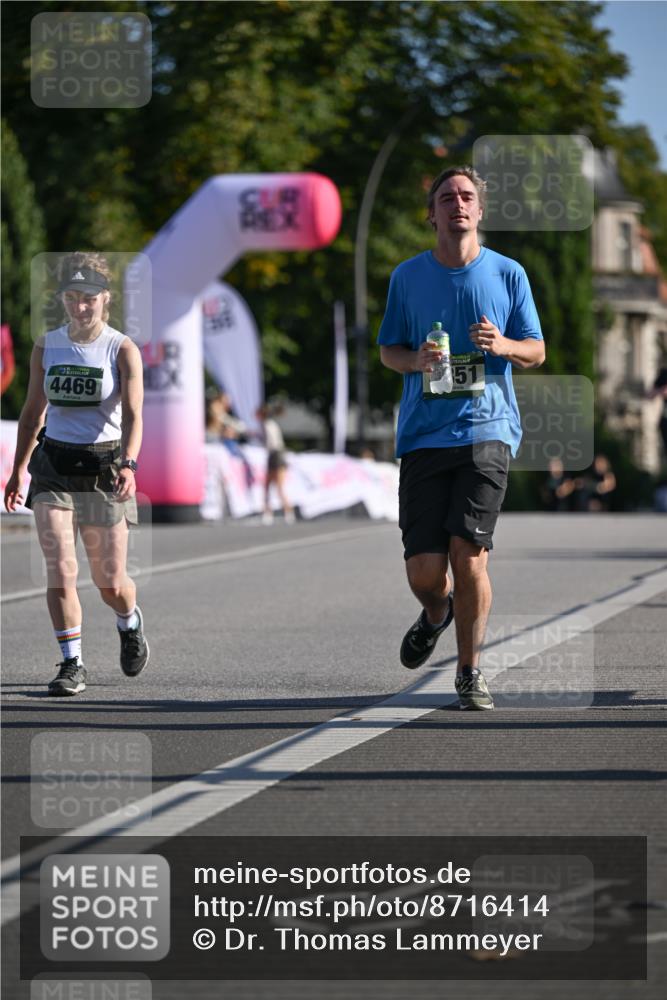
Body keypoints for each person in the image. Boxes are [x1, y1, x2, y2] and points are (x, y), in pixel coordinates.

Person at [378, 166, 545, 710]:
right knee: (426, 572)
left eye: (467, 196)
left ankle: (470, 671)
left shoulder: (508, 273)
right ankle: (435, 612)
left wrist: (502, 346)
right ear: (432, 213)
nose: (457, 204)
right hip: (424, 434)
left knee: (468, 552)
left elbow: (536, 350)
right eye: (447, 197)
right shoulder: (407, 277)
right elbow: (388, 350)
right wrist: (416, 360)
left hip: (487, 429)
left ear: (480, 209)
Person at [3, 252, 149, 696]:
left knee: (111, 583)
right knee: (61, 570)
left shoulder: (121, 348)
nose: (80, 306)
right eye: (72, 298)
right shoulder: (47, 346)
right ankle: (72, 664)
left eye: (89, 298)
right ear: (62, 299)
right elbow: (31, 413)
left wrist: (129, 463)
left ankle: (130, 621)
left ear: (106, 299)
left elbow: (135, 417)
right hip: (54, 469)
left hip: (104, 470)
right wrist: (18, 471)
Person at [256, 403, 295, 525]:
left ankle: (287, 512)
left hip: (276, 455)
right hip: (274, 455)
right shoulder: (269, 424)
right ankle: (269, 512)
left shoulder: (267, 424)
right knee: (267, 486)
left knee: (278, 487)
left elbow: (271, 443)